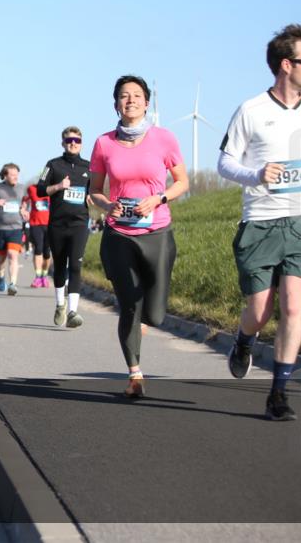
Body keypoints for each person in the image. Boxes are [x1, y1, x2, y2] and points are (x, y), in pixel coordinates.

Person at [218, 24, 301, 421]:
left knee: (294, 305)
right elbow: (224, 162)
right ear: (286, 65)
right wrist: (258, 175)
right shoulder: (251, 110)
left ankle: (278, 392)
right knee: (260, 310)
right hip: (260, 221)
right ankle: (243, 340)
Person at [89, 75, 188, 398]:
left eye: (136, 95)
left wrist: (159, 198)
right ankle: (135, 374)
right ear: (116, 104)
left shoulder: (164, 139)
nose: (129, 100)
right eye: (123, 96)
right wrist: (108, 206)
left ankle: (141, 323)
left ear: (147, 103)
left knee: (155, 314)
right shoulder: (104, 143)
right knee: (129, 304)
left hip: (157, 231)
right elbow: (94, 192)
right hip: (119, 236)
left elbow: (181, 182)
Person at [38, 126, 92, 328]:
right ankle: (60, 304)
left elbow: (95, 191)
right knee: (60, 266)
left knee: (76, 265)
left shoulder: (89, 167)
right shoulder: (53, 165)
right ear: (63, 142)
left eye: (77, 140)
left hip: (79, 223)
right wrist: (59, 187)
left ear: (81, 143)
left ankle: (72, 311)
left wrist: (92, 197)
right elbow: (40, 190)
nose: (73, 143)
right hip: (57, 224)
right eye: (69, 140)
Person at [0, 163, 28, 296]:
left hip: (16, 227)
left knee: (13, 255)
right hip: (0, 228)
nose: (16, 177)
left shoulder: (22, 188)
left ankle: (12, 284)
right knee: (1, 258)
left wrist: (24, 209)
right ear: (5, 175)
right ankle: (0, 274)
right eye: (13, 175)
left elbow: (25, 202)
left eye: (17, 174)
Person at [27, 182, 53, 287]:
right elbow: (25, 200)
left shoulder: (53, 189)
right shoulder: (31, 188)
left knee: (47, 252)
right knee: (38, 249)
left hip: (49, 225)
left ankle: (44, 276)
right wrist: (23, 209)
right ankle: (37, 277)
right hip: (35, 224)